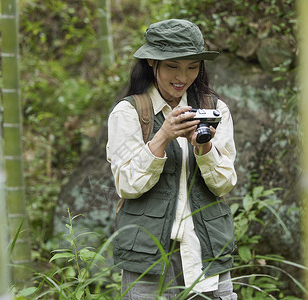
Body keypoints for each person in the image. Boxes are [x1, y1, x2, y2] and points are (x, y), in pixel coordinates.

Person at [106, 19, 238, 300]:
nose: (183, 76)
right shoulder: (129, 113)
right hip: (148, 253)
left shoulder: (214, 109)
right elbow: (127, 186)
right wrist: (162, 137)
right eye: (173, 66)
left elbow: (224, 184)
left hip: (206, 249)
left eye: (192, 66)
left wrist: (204, 149)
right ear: (152, 62)